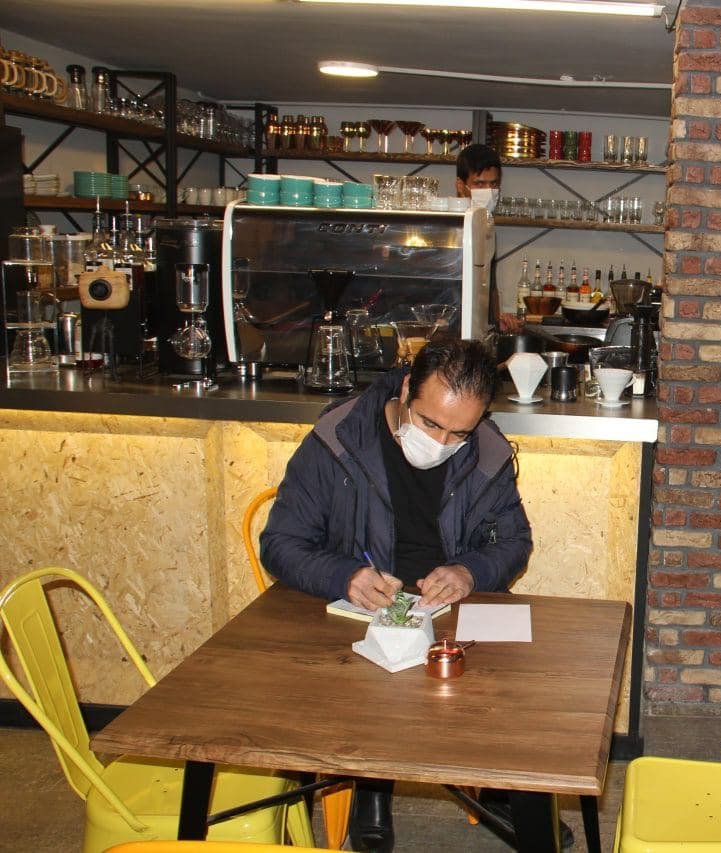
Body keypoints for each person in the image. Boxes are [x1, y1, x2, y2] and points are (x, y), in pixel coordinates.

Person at [261, 340, 534, 852]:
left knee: (510, 691)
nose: (442, 442)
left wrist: (470, 571)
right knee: (370, 681)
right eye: (430, 423)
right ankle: (372, 789)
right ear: (407, 389)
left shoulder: (488, 450)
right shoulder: (338, 437)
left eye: (459, 433)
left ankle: (494, 788)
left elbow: (514, 542)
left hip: (450, 609)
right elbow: (280, 544)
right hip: (360, 607)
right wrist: (344, 575)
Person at [455, 142, 521, 333]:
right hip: (453, 325)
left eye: (494, 184)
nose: (489, 191)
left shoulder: (487, 227)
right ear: (461, 186)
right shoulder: (455, 228)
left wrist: (496, 320)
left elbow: (489, 285)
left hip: (477, 329)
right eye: (479, 184)